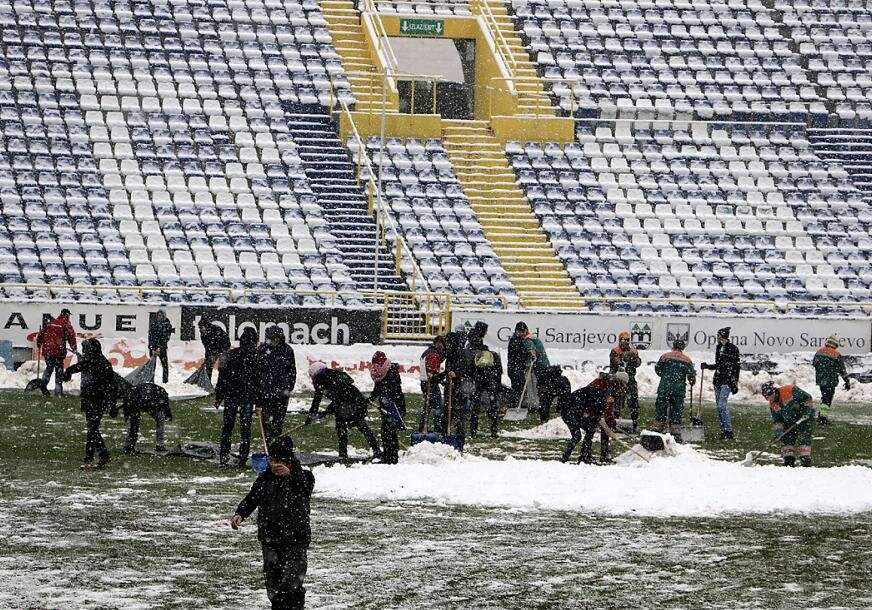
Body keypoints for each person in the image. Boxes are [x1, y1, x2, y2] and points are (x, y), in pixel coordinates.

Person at [231, 436, 314, 610]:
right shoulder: (264, 480)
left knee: (292, 584)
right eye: (272, 460)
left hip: (295, 540)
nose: (274, 464)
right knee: (273, 585)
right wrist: (240, 513)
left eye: (278, 461)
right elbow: (251, 499)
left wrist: (290, 475)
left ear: (288, 461)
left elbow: (305, 487)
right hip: (270, 539)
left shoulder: (303, 477)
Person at [306, 362, 381, 460]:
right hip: (345, 404)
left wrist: (326, 412)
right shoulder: (323, 382)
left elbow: (339, 398)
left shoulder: (332, 379)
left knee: (355, 425)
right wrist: (311, 416)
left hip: (354, 402)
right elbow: (317, 400)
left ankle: (374, 451)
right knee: (346, 426)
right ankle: (345, 453)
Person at [63, 338, 116, 470]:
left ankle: (91, 457)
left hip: (97, 401)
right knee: (93, 430)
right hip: (89, 400)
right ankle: (101, 455)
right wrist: (68, 371)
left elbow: (111, 387)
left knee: (92, 430)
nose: (84, 352)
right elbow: (78, 367)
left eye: (86, 349)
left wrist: (111, 404)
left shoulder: (101, 364)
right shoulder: (93, 361)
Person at [558, 372, 627, 464]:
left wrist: (611, 422)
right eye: (611, 399)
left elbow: (605, 410)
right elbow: (597, 410)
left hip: (579, 410)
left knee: (590, 429)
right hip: (570, 411)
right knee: (577, 436)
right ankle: (564, 458)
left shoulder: (609, 391)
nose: (612, 401)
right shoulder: (599, 389)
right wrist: (606, 428)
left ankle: (585, 455)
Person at [215, 327, 260, 467]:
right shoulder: (257, 357)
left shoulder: (230, 354)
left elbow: (222, 377)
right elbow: (259, 381)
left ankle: (224, 455)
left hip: (231, 395)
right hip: (247, 397)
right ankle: (243, 457)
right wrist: (258, 402)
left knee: (228, 426)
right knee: (245, 428)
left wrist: (219, 396)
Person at [761, 381, 816, 467]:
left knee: (803, 439)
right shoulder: (773, 405)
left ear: (774, 391)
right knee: (786, 438)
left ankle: (805, 461)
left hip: (805, 417)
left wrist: (807, 411)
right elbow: (777, 420)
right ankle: (788, 461)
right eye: (766, 397)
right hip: (789, 420)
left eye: (770, 395)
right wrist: (779, 431)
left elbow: (807, 398)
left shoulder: (789, 390)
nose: (769, 399)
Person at [257, 326, 297, 443]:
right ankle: (269, 444)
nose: (275, 340)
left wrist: (289, 387)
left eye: (277, 338)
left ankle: (275, 445)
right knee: (266, 424)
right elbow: (257, 372)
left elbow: (292, 371)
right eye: (272, 338)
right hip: (266, 393)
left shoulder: (287, 350)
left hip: (282, 393)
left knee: (278, 422)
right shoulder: (262, 350)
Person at [701, 327, 741, 440]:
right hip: (718, 380)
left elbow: (736, 366)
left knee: (722, 405)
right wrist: (708, 366)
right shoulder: (718, 348)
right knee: (719, 407)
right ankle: (724, 430)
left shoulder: (733, 348)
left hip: (727, 381)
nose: (717, 338)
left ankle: (728, 430)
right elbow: (719, 364)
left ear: (723, 336)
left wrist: (734, 382)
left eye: (718, 336)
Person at [652, 340, 696, 441]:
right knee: (676, 411)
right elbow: (691, 377)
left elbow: (658, 369)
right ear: (683, 348)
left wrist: (665, 376)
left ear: (673, 346)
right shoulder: (687, 360)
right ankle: (675, 434)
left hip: (664, 388)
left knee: (661, 409)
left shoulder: (665, 356)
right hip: (678, 390)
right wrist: (692, 380)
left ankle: (658, 430)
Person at [117, 378, 172, 453]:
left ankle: (129, 446)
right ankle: (159, 445)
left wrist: (127, 416)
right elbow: (165, 403)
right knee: (159, 420)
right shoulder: (159, 390)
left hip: (143, 402)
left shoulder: (135, 390)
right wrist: (168, 414)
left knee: (134, 424)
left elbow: (128, 403)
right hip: (148, 403)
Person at [369, 351, 405, 465]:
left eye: (377, 363)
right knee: (385, 432)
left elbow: (394, 390)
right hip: (385, 406)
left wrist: (386, 395)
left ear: (382, 362)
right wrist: (371, 398)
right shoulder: (379, 374)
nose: (375, 366)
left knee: (390, 432)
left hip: (395, 407)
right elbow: (377, 389)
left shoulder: (391, 372)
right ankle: (387, 455)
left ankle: (392, 457)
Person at [35, 308, 77, 396]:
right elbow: (71, 337)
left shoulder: (51, 323)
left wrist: (39, 344)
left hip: (48, 351)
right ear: (67, 315)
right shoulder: (66, 324)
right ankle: (58, 391)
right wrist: (74, 348)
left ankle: (43, 383)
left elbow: (41, 334)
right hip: (59, 351)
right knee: (59, 370)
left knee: (49, 367)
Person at [812, 335, 850, 425]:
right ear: (835, 345)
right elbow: (842, 370)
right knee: (827, 398)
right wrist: (847, 381)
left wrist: (822, 371)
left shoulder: (819, 351)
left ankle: (821, 416)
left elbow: (814, 363)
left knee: (824, 397)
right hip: (831, 380)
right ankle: (822, 418)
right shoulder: (836, 354)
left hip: (821, 380)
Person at [609, 331, 642, 431]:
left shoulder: (634, 351)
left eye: (627, 340)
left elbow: (638, 363)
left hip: (630, 379)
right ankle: (614, 422)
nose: (625, 342)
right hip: (617, 379)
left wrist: (634, 358)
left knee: (633, 401)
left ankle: (635, 423)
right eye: (623, 340)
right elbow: (615, 362)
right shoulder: (615, 350)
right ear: (619, 341)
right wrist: (623, 359)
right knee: (616, 401)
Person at [471, 347, 504, 438]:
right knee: (493, 406)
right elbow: (499, 372)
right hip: (491, 381)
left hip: (479, 380)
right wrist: (497, 385)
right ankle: (494, 431)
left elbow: (471, 370)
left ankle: (473, 431)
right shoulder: (494, 356)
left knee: (476, 406)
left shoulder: (477, 356)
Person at [418, 336, 445, 433]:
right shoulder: (434, 354)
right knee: (437, 406)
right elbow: (432, 374)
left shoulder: (428, 351)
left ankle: (422, 426)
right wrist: (443, 376)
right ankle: (437, 427)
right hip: (430, 384)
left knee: (427, 405)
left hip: (424, 382)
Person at [147, 309, 174, 384]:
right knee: (152, 365)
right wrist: (152, 348)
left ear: (164, 316)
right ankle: (150, 380)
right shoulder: (153, 324)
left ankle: (165, 381)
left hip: (162, 348)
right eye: (159, 315)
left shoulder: (168, 325)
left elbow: (165, 338)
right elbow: (150, 337)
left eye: (162, 315)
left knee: (165, 365)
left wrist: (159, 347)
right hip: (153, 348)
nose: (160, 317)